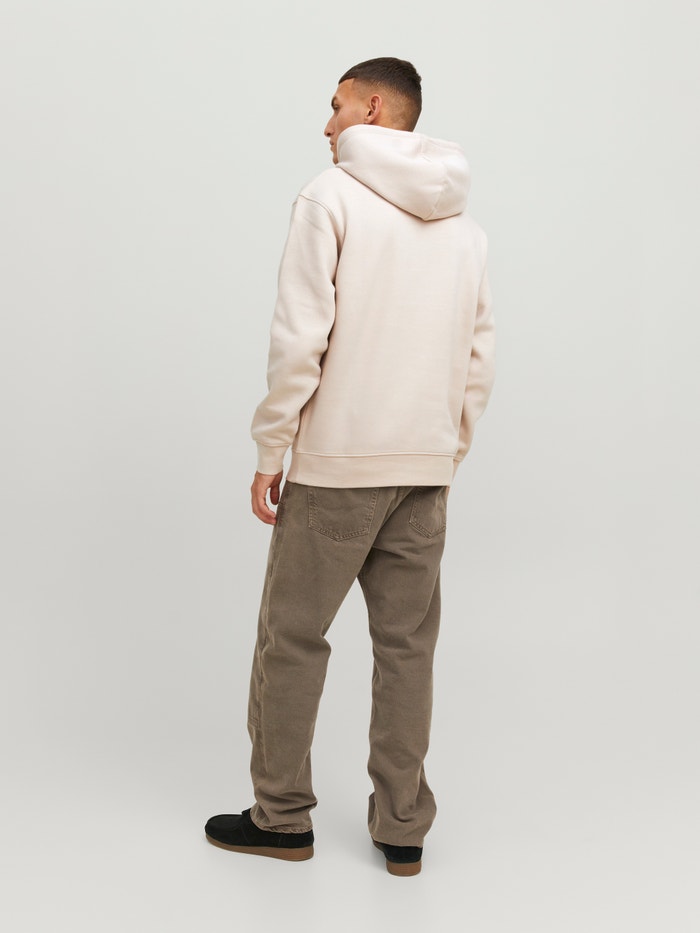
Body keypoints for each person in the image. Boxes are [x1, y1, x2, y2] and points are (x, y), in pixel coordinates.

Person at [205, 57, 495, 876]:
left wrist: (272, 446)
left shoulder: (328, 198)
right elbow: (479, 358)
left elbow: (300, 339)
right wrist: (443, 449)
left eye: (334, 106)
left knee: (292, 639)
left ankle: (281, 817)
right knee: (407, 649)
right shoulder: (466, 228)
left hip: (337, 467)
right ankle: (402, 827)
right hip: (423, 471)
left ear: (371, 107)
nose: (325, 124)